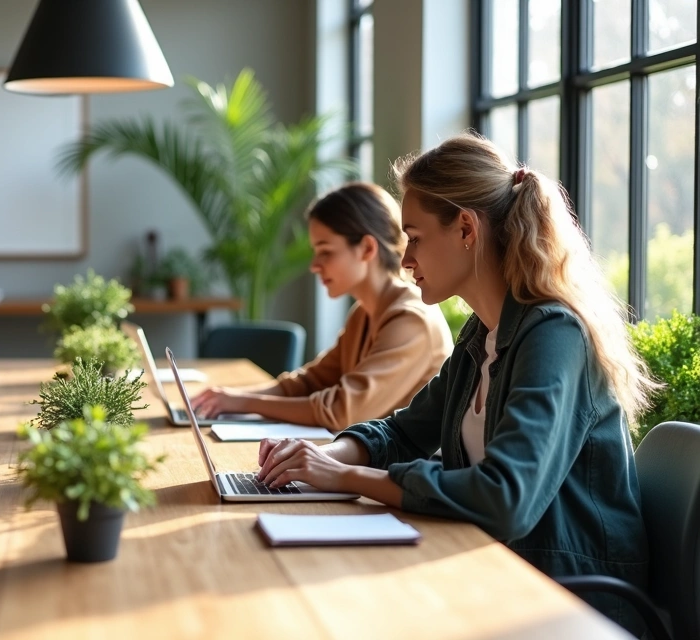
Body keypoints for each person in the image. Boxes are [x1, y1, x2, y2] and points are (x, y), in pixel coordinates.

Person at [255, 133, 654, 632]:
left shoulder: (554, 335)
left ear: (466, 228)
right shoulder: (481, 334)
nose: (405, 261)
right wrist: (323, 459)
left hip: (566, 599)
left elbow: (506, 498)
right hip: (497, 570)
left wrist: (349, 479)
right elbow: (405, 432)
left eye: (415, 238)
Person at [191, 182, 453, 430]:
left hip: (403, 473)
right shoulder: (364, 313)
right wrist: (227, 399)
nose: (315, 265)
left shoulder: (411, 320)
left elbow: (341, 412)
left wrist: (243, 403)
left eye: (325, 251)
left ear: (366, 248)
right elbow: (309, 383)